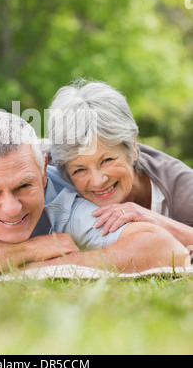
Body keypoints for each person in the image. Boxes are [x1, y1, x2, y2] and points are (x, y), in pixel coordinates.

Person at [0, 110, 188, 275]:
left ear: (44, 172)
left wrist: (52, 265)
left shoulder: (62, 198)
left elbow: (164, 250)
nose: (11, 208)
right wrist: (26, 252)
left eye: (24, 186)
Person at [47, 79, 193, 251]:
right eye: (80, 170)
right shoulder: (44, 168)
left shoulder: (183, 187)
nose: (97, 181)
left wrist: (152, 218)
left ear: (133, 147)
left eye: (107, 160)